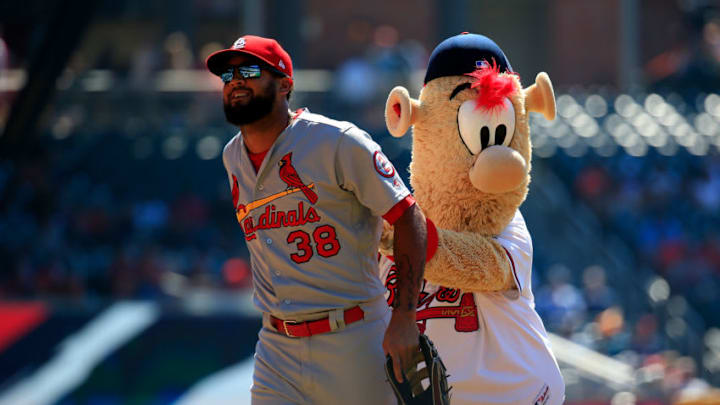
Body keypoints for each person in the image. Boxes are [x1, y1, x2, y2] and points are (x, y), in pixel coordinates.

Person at [205, 35, 427, 405]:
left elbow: (409, 218)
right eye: (228, 75)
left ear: (285, 85)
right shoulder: (232, 158)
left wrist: (404, 318)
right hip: (276, 345)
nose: (236, 81)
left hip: (352, 337)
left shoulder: (338, 141)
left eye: (249, 70)